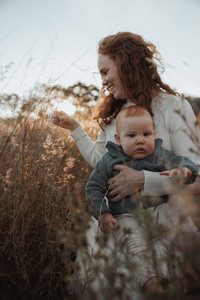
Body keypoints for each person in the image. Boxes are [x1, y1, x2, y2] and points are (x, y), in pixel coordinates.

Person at [51, 32, 200, 297]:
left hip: (164, 230)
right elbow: (101, 160)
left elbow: (195, 177)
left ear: (127, 63)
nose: (104, 80)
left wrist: (143, 181)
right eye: (101, 74)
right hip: (116, 226)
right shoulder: (113, 116)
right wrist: (75, 128)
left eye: (106, 71)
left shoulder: (174, 107)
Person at [86, 106, 198, 233]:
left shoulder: (159, 154)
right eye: (132, 135)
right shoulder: (110, 159)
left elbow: (182, 161)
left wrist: (186, 170)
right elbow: (93, 187)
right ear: (118, 139)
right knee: (135, 248)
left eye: (146, 134)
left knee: (182, 237)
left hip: (161, 210)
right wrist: (102, 213)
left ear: (153, 135)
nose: (140, 140)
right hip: (126, 217)